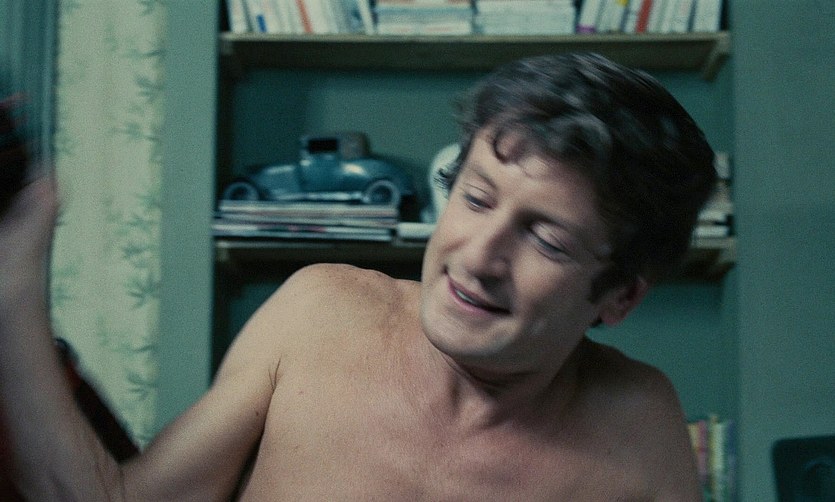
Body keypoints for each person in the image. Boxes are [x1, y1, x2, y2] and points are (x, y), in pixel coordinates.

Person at [0, 53, 716, 500]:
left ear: (620, 295)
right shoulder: (320, 312)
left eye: (547, 239)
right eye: (475, 198)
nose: (475, 257)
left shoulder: (638, 429)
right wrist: (14, 263)